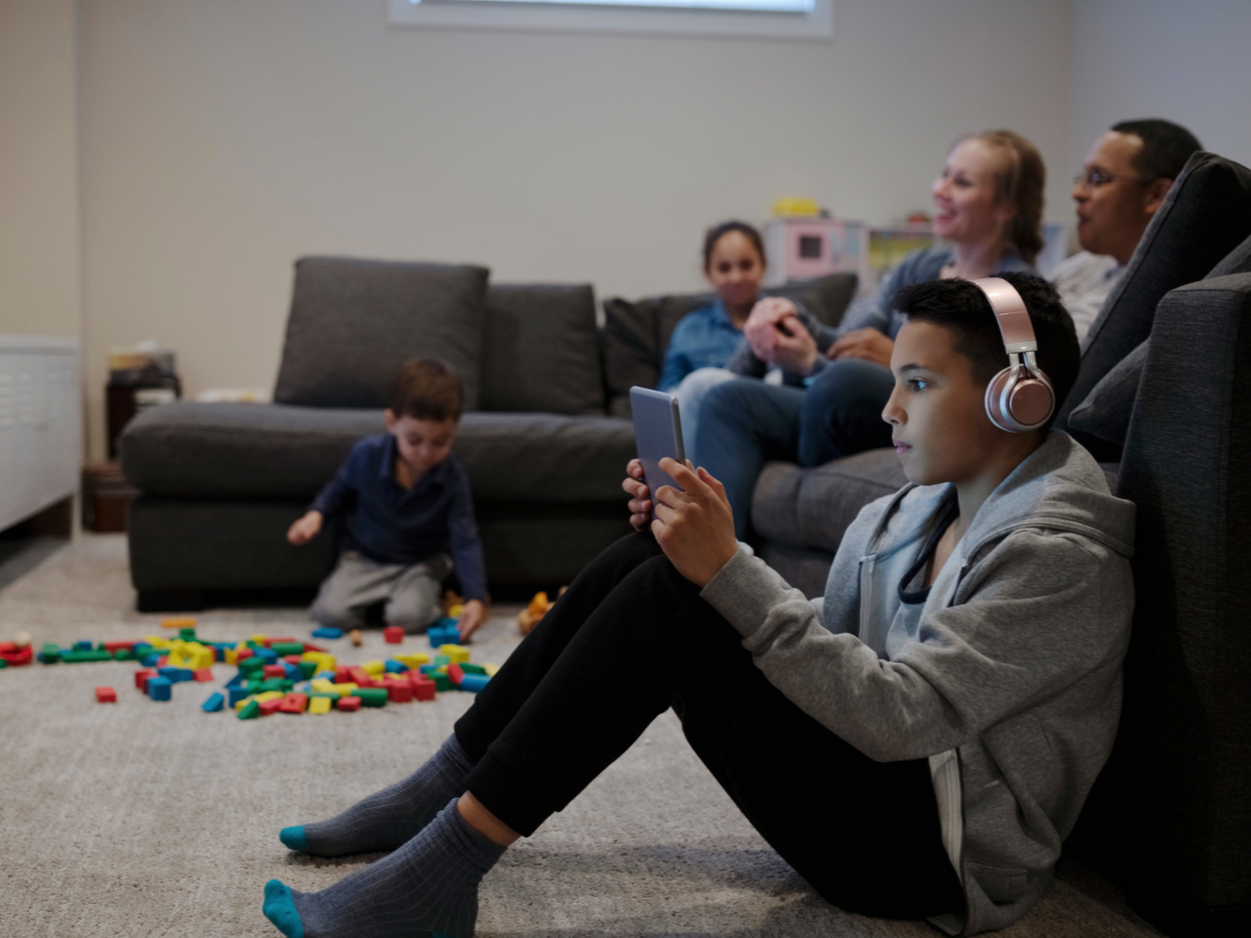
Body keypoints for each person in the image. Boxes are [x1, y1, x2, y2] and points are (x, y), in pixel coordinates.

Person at [260, 273, 1136, 938]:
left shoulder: (1059, 557)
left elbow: (901, 715)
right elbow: (827, 660)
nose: (888, 407)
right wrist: (709, 553)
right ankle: (438, 793)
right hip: (881, 791)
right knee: (659, 561)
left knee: (681, 602)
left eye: (917, 383)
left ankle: (446, 870)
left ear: (1016, 396)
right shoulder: (902, 512)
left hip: (939, 859)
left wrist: (726, 575)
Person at [699, 130, 1044, 537]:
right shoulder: (917, 266)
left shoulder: (1012, 296)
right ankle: (715, 560)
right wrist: (798, 322)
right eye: (944, 175)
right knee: (725, 397)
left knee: (840, 380)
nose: (941, 190)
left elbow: (978, 391)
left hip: (913, 413)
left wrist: (860, 364)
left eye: (962, 182)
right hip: (841, 397)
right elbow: (850, 339)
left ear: (1006, 205)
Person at [287, 358, 488, 641]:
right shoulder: (365, 455)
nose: (425, 453)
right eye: (414, 441)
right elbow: (337, 492)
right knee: (330, 615)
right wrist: (315, 516)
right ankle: (380, 605)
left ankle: (414, 599)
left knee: (408, 619)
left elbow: (464, 536)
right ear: (392, 423)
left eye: (440, 442)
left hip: (418, 564)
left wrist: (475, 597)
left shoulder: (452, 475)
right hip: (364, 559)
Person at [1050, 118, 1202, 340]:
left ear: (1157, 195)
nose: (1078, 193)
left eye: (1097, 178)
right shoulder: (1084, 264)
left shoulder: (1165, 300)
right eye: (1084, 176)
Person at [658, 220, 767, 458]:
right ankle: (684, 489)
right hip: (704, 425)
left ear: (763, 266)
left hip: (764, 421)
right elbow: (665, 398)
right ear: (708, 272)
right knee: (696, 385)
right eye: (724, 268)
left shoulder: (785, 318)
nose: (736, 277)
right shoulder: (691, 329)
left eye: (746, 265)